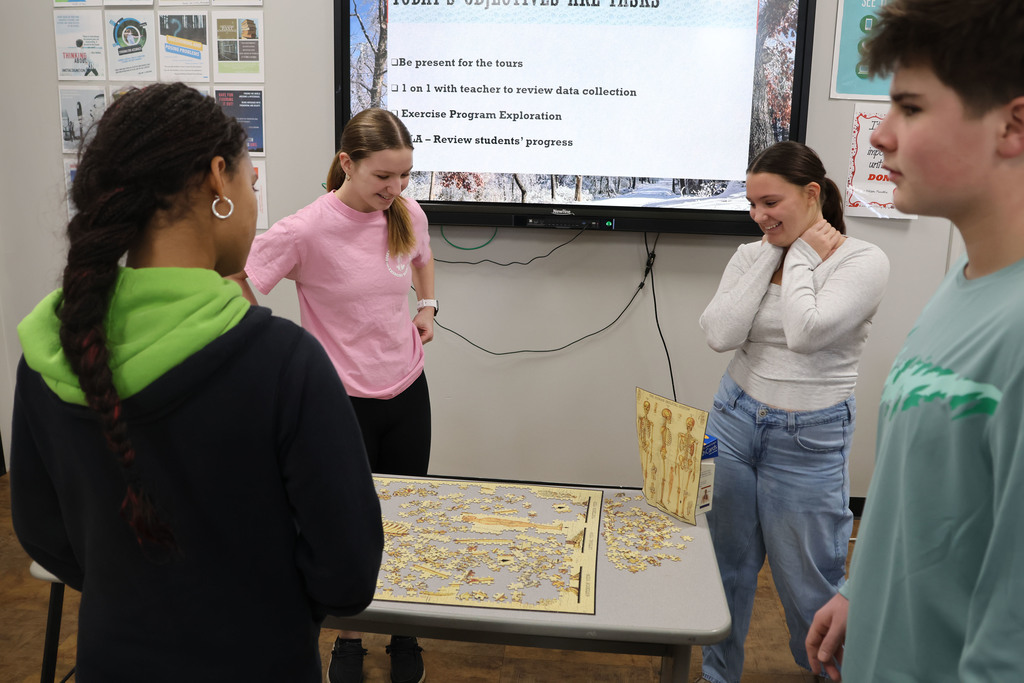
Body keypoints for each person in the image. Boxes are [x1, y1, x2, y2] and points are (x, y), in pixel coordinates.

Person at [9, 82, 384, 682]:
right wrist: (273, 610)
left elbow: (43, 535)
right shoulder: (285, 364)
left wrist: (139, 590)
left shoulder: (50, 350)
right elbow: (347, 573)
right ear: (218, 179)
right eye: (249, 183)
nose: (254, 200)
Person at [805, 2, 1024, 680]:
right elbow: (925, 495)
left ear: (1013, 125)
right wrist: (859, 589)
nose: (882, 136)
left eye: (911, 107)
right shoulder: (962, 289)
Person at [229, 108, 435, 683]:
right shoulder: (306, 229)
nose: (394, 189)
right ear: (348, 162)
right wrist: (263, 345)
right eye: (382, 177)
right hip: (341, 402)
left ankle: (405, 628)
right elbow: (239, 275)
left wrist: (427, 305)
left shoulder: (404, 211)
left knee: (406, 513)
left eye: (404, 176)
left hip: (407, 389)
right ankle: (349, 635)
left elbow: (423, 255)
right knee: (346, 523)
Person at [697, 140, 890, 683]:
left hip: (809, 437)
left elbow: (807, 333)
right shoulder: (752, 253)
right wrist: (775, 251)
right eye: (751, 205)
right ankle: (717, 676)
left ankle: (826, 674)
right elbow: (718, 333)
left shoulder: (863, 261)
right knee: (724, 568)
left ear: (811, 195)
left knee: (809, 584)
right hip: (731, 420)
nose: (759, 216)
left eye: (770, 203)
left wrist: (801, 253)